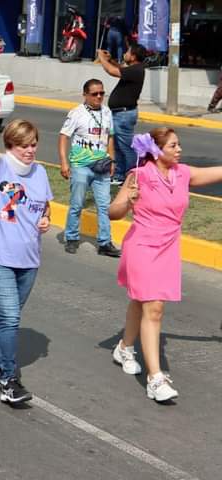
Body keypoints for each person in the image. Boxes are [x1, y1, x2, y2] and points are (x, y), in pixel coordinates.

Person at [109, 128, 222, 402]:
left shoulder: (183, 173)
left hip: (168, 248)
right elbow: (113, 212)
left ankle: (125, 347)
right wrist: (128, 201)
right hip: (142, 247)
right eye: (173, 145)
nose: (179, 149)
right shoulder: (139, 175)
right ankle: (155, 379)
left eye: (179, 144)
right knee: (154, 307)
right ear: (157, 150)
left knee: (141, 301)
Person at [0, 96, 52, 405]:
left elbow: (44, 205)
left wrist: (47, 218)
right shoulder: (2, 166)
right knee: (9, 318)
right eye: (24, 144)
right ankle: (9, 380)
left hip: (29, 259)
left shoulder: (40, 173)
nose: (30, 149)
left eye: (33, 143)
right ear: (11, 145)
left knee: (10, 316)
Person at [59, 78, 121, 257]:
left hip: (101, 166)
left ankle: (105, 243)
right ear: (85, 95)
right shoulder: (76, 113)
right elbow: (63, 137)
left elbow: (110, 137)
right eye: (95, 94)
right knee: (77, 204)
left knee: (104, 206)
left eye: (102, 93)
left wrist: (112, 160)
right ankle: (71, 237)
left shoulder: (107, 112)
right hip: (81, 166)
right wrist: (64, 162)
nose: (99, 96)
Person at [97, 43, 145, 185]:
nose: (125, 53)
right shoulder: (134, 69)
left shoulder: (137, 70)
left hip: (124, 115)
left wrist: (102, 58)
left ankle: (133, 176)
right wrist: (110, 59)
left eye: (128, 51)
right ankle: (119, 175)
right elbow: (119, 68)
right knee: (117, 145)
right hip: (119, 113)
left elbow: (112, 71)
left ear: (134, 56)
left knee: (127, 147)